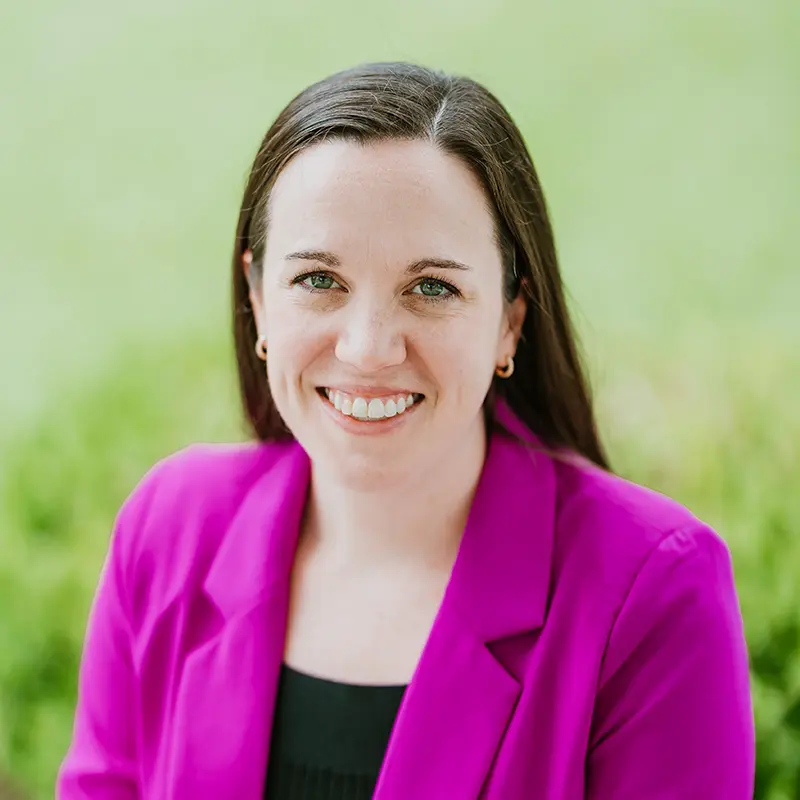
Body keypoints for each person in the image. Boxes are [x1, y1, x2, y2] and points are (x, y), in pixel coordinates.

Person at [57, 61, 755, 798]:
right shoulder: (169, 530)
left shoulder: (653, 593)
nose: (367, 349)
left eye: (431, 288)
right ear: (259, 301)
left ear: (510, 322)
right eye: (319, 280)